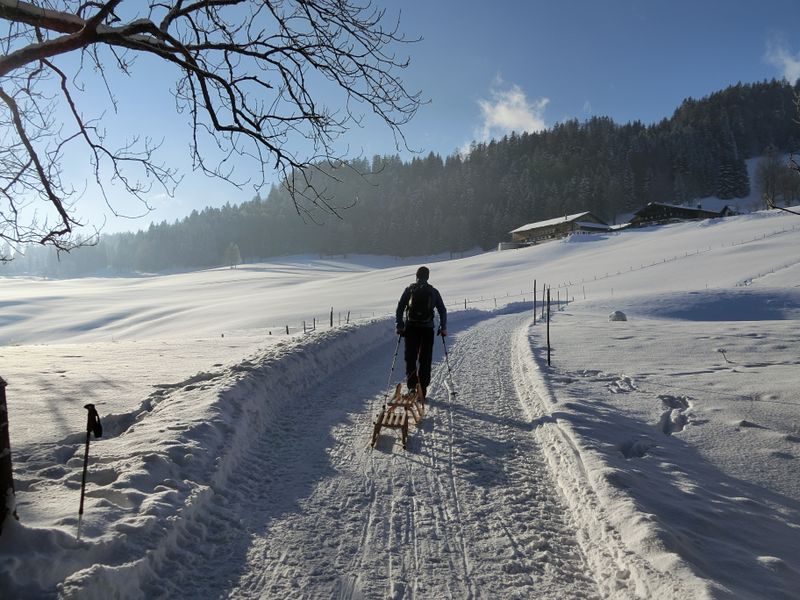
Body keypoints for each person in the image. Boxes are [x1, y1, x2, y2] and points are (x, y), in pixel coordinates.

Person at [395, 266, 447, 399]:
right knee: (425, 358)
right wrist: (442, 327)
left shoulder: (409, 289)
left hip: (411, 328)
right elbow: (442, 310)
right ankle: (422, 389)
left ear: (416, 276)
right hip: (427, 329)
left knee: (411, 357)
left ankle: (412, 387)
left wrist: (400, 325)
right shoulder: (433, 291)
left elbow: (400, 308)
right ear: (428, 277)